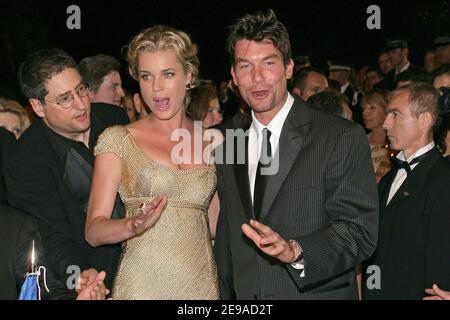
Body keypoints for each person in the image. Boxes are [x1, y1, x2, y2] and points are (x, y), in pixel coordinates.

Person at [213, 9, 378, 300]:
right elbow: (227, 237)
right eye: (245, 66)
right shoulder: (226, 140)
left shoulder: (339, 136)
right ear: (234, 76)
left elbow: (358, 232)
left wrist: (296, 251)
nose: (257, 78)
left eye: (268, 63)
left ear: (289, 68)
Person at [85, 25, 220, 300]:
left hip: (201, 287)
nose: (156, 88)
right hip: (141, 286)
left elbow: (216, 226)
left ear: (189, 76)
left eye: (168, 74)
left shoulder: (213, 143)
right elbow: (93, 230)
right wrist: (132, 225)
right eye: (146, 77)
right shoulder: (118, 140)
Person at [4, 48, 125, 291]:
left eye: (81, 90)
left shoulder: (115, 119)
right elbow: (51, 235)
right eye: (65, 98)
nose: (81, 104)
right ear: (38, 107)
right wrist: (80, 274)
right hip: (97, 275)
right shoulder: (25, 162)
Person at [363, 83, 450, 300]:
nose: (386, 123)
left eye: (395, 114)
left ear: (425, 120)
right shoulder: (389, 178)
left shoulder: (443, 179)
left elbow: (441, 253)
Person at [361, 90, 392, 182]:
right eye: (363, 108)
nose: (365, 113)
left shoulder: (398, 144)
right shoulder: (360, 142)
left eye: (372, 108)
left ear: (386, 110)